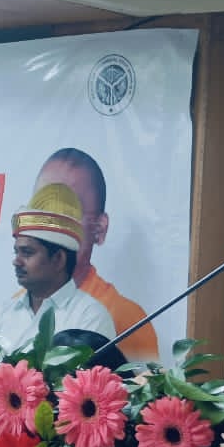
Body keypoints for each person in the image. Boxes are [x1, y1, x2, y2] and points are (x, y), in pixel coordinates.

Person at [35, 148, 158, 361]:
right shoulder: (1, 317)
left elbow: (144, 382)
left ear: (99, 229)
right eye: (41, 209)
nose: (51, 225)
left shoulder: (127, 318)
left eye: (68, 212)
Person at [0, 182, 114, 353]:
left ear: (58, 259)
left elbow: (90, 371)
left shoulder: (90, 316)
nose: (16, 261)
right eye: (16, 252)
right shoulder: (1, 315)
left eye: (27, 253)